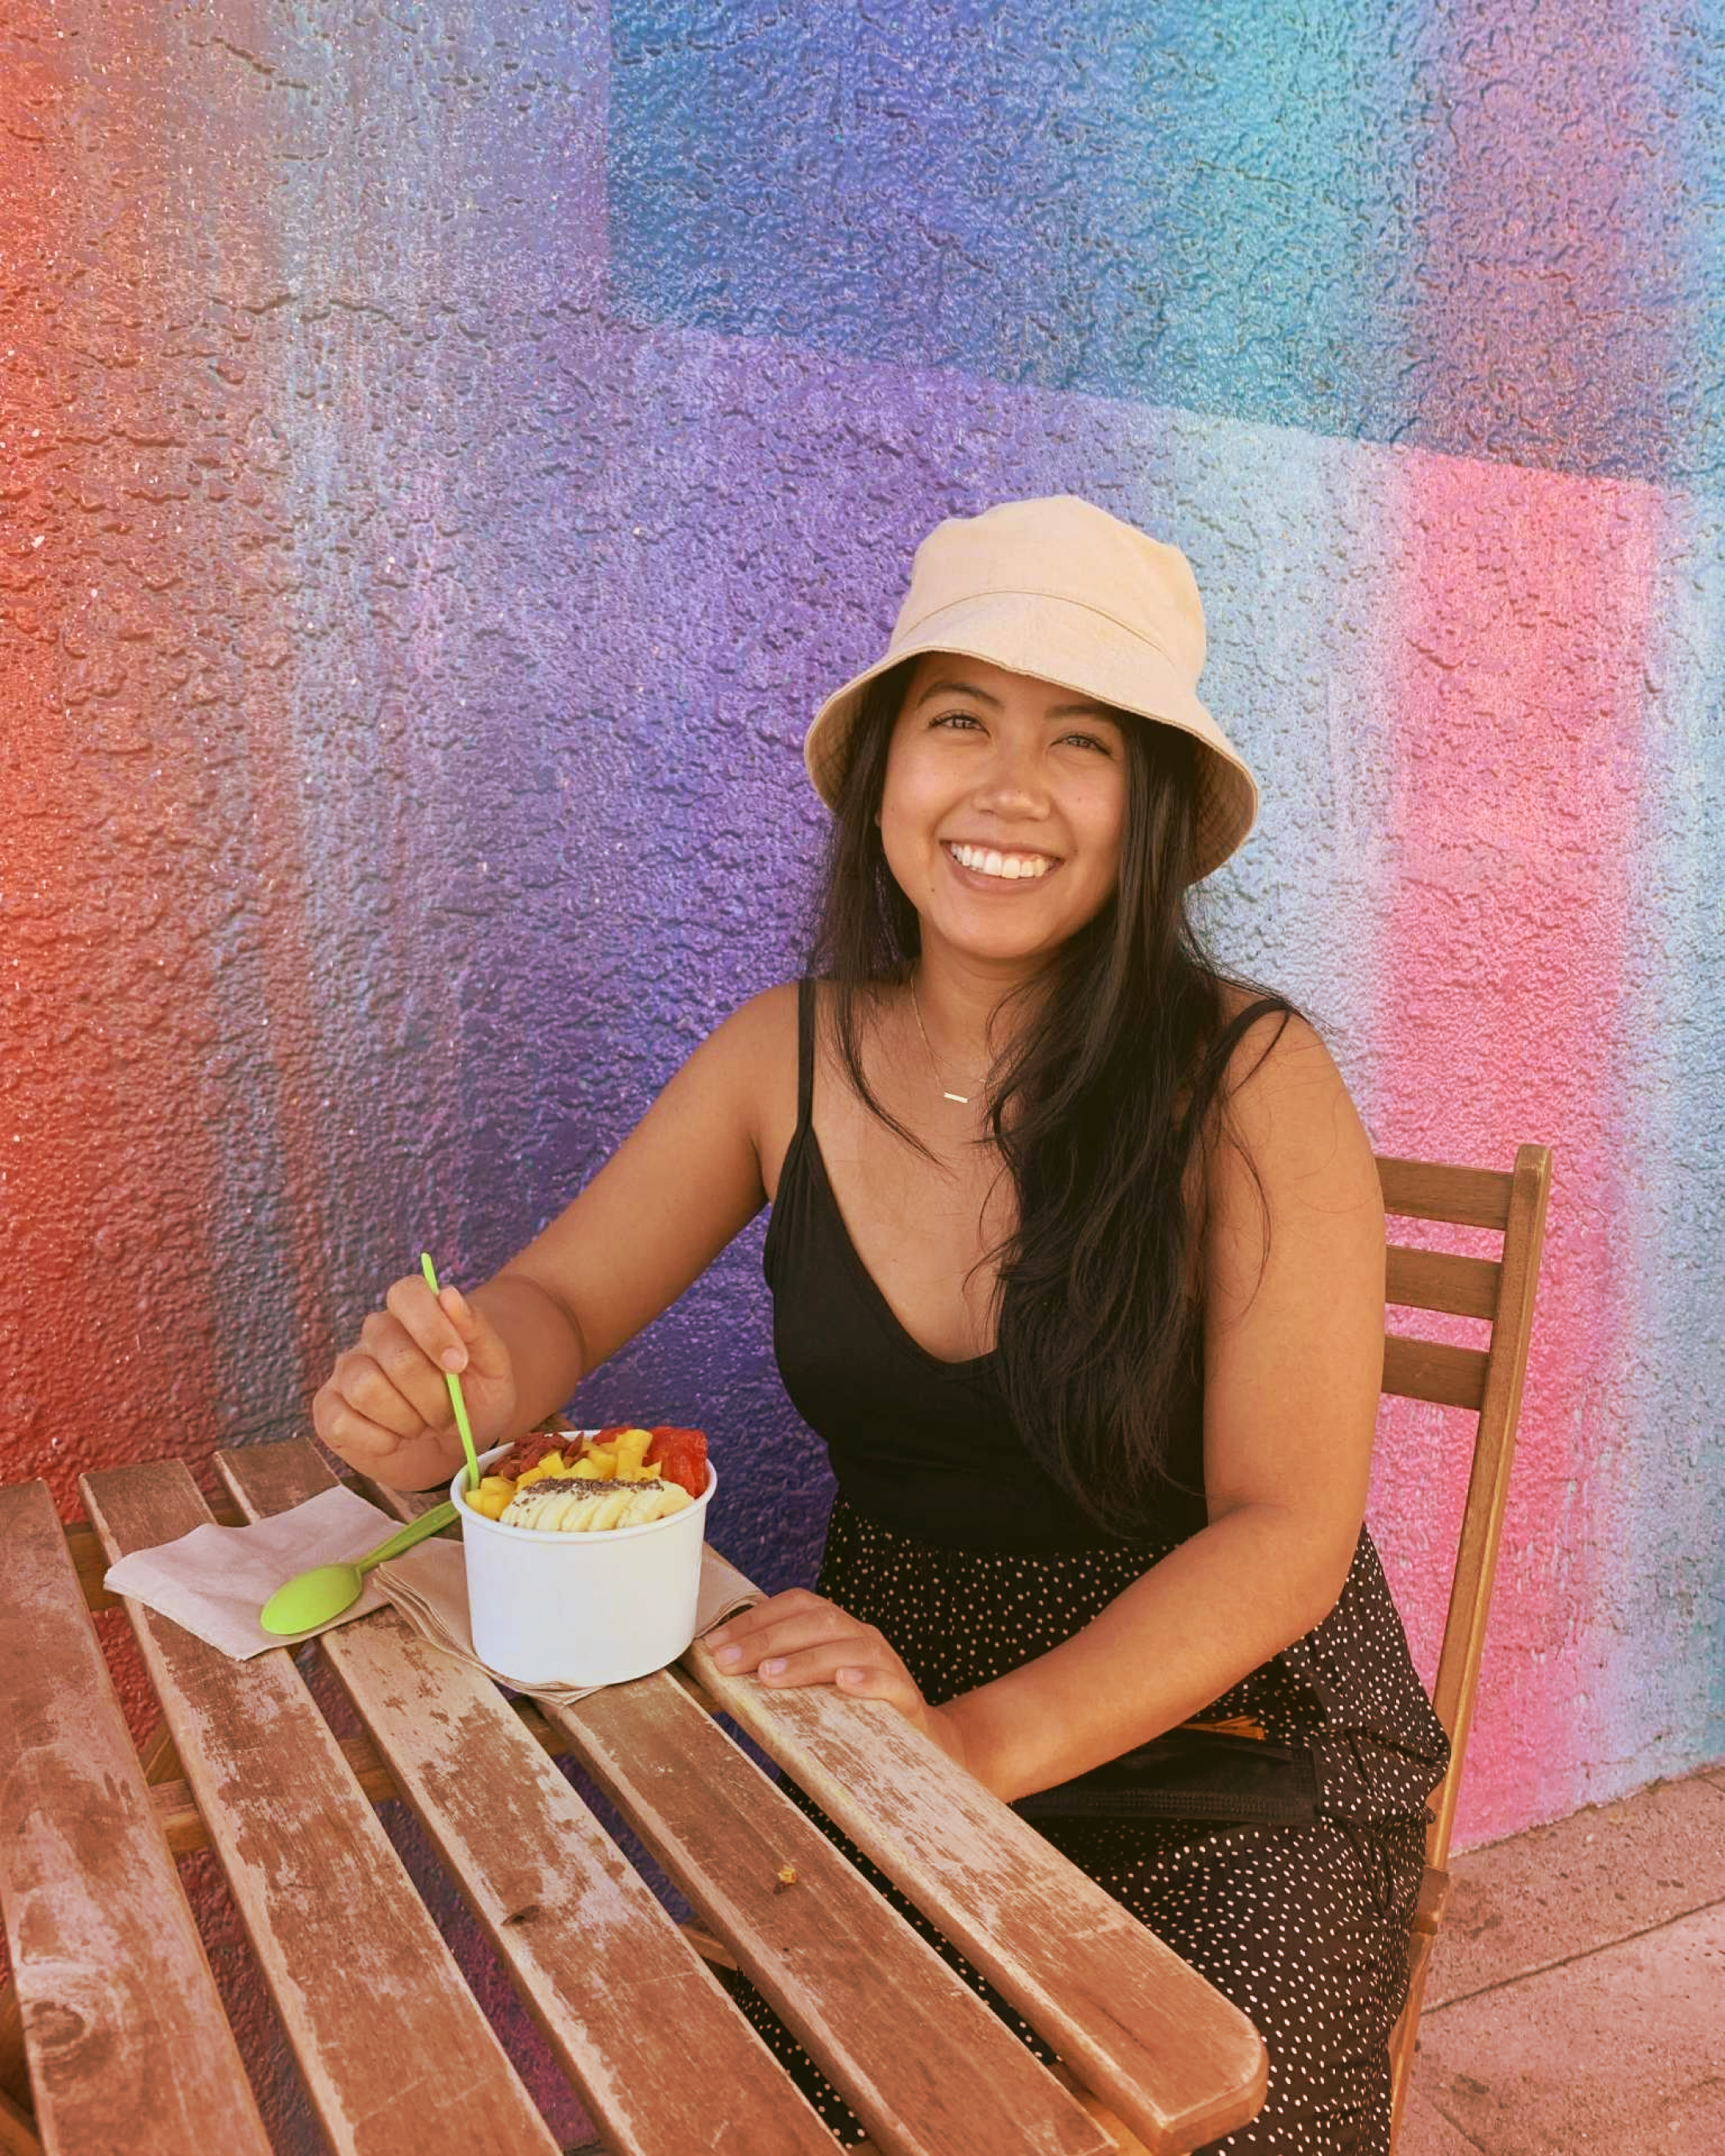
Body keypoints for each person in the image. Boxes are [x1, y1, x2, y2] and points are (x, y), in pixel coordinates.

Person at [314, 496, 1448, 2153]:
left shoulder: (1250, 1075)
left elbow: (1286, 1535)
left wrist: (969, 1752)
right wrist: (452, 1380)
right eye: (961, 719)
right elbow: (556, 1300)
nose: (1005, 788)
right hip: (885, 1691)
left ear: (1147, 807)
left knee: (1209, 2104)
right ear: (887, 774)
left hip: (1229, 1733)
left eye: (1083, 741)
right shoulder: (781, 1053)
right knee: (833, 2108)